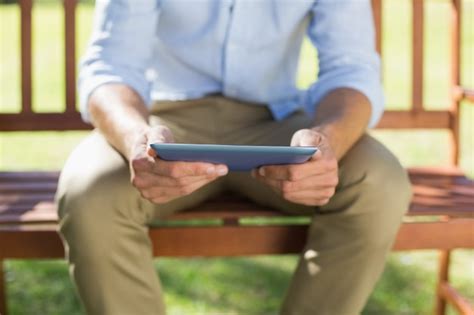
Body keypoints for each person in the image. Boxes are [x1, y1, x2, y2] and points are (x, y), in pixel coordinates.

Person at [56, 0, 412, 314]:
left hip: (275, 122)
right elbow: (112, 66)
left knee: (379, 182)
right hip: (165, 123)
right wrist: (137, 140)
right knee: (89, 192)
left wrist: (327, 142)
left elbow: (351, 68)